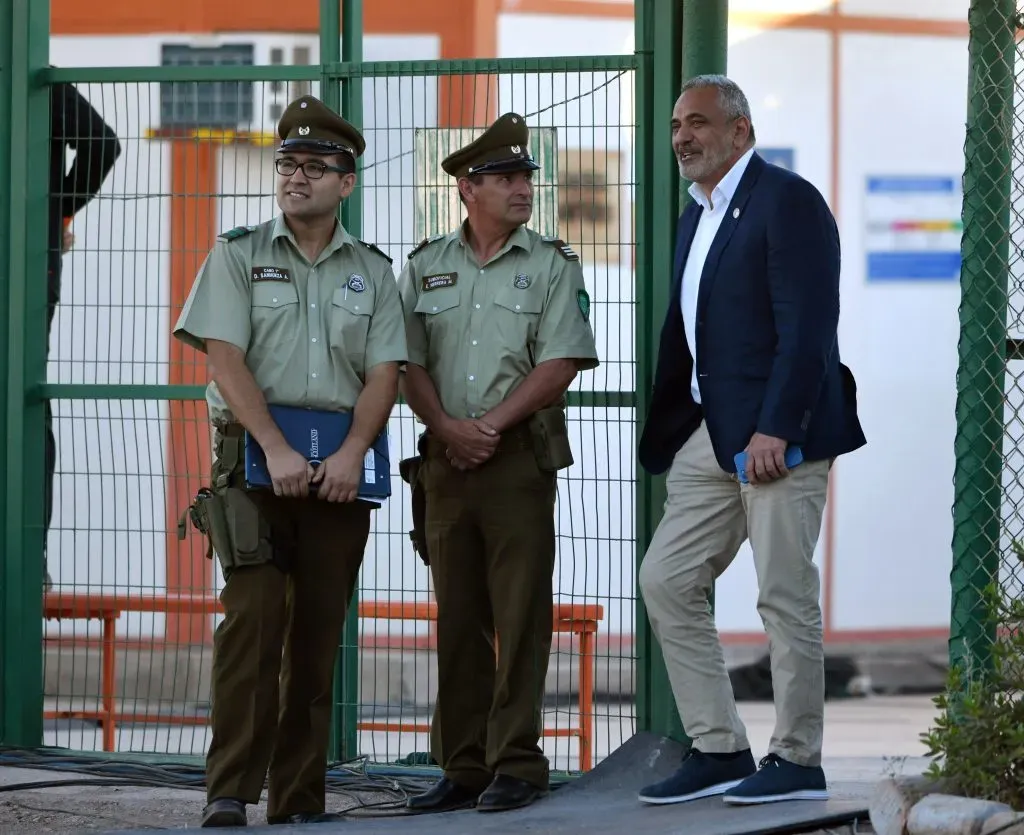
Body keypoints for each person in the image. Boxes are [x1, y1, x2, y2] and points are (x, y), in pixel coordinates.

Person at [172, 94, 407, 828]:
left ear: (348, 182)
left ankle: (299, 798)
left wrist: (349, 453)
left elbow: (385, 372)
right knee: (252, 622)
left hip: (339, 467)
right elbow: (223, 356)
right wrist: (273, 445)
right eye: (287, 164)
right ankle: (229, 791)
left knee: (316, 635)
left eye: (314, 166)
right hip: (252, 461)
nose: (295, 177)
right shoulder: (238, 254)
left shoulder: (372, 270)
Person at [635, 74, 866, 807]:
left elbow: (807, 327)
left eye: (698, 122)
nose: (683, 136)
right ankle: (718, 745)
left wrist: (778, 424)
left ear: (740, 131)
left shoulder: (786, 201)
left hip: (778, 434)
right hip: (711, 432)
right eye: (677, 124)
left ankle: (798, 758)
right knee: (666, 577)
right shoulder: (694, 215)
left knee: (783, 594)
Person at [397, 112, 599, 813]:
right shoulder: (426, 266)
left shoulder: (550, 264)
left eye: (525, 178)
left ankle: (517, 761)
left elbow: (562, 360)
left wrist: (487, 426)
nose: (522, 189)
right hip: (446, 462)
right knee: (457, 616)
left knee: (520, 616)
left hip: (515, 461)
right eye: (506, 178)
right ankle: (463, 764)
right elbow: (405, 362)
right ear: (466, 188)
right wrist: (448, 427)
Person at [46, 79, 121, 591]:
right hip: (30, 266)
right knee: (28, 405)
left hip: (36, 259)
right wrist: (55, 212)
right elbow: (102, 142)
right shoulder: (39, 82)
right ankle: (32, 556)